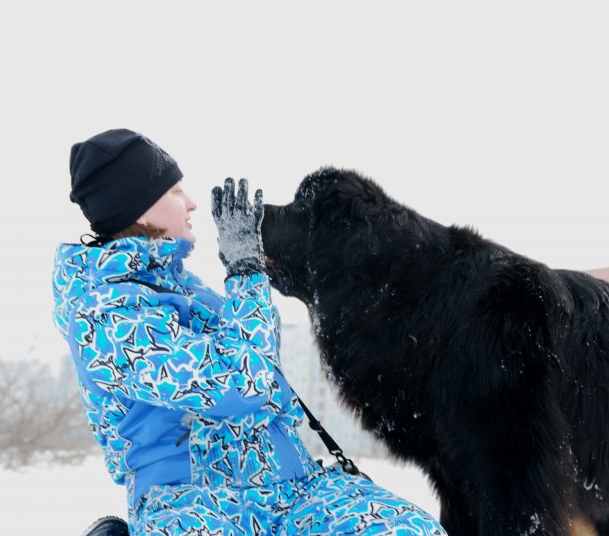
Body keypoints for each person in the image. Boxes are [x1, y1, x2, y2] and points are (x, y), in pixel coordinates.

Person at [52, 128, 446, 535]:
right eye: (173, 192)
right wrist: (245, 273)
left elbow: (262, 366)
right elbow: (242, 384)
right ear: (138, 210)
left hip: (295, 490)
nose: (190, 204)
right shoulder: (102, 318)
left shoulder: (190, 290)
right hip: (197, 506)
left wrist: (249, 277)